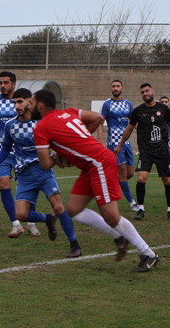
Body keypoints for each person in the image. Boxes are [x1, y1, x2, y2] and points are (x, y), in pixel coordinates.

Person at [32, 90, 161, 272]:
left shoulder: (41, 127)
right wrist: (77, 141)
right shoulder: (68, 112)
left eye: (31, 103)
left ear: (40, 105)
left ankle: (148, 254)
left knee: (112, 216)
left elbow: (45, 164)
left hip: (99, 163)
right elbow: (98, 118)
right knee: (74, 210)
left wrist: (56, 155)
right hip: (91, 165)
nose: (29, 107)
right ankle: (119, 236)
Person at [0, 89, 81, 257]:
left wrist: (59, 155)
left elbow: (57, 140)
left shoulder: (41, 122)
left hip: (43, 171)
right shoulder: (10, 125)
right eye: (14, 102)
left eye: (20, 101)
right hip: (24, 175)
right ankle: (47, 219)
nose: (17, 106)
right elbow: (6, 148)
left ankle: (74, 245)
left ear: (29, 102)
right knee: (20, 214)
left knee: (58, 206)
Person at [0, 71, 40, 238]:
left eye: (6, 83)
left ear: (13, 84)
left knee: (28, 187)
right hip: (2, 152)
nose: (2, 86)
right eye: (0, 83)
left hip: (23, 153)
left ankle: (31, 222)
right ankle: (16, 224)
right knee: (3, 184)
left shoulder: (25, 102)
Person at [114, 83, 170, 221]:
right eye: (142, 92)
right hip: (146, 151)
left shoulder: (163, 109)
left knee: (167, 180)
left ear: (153, 91)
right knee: (141, 178)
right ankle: (141, 209)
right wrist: (120, 145)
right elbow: (129, 128)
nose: (145, 93)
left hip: (162, 150)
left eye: (147, 91)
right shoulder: (138, 111)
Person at [96, 79, 139, 211]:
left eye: (118, 86)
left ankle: (106, 185)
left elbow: (134, 123)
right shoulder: (107, 105)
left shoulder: (128, 104)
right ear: (111, 89)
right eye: (113, 86)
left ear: (122, 88)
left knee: (130, 173)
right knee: (122, 172)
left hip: (126, 143)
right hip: (114, 143)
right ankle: (132, 202)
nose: (116, 88)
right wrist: (102, 142)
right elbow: (99, 123)